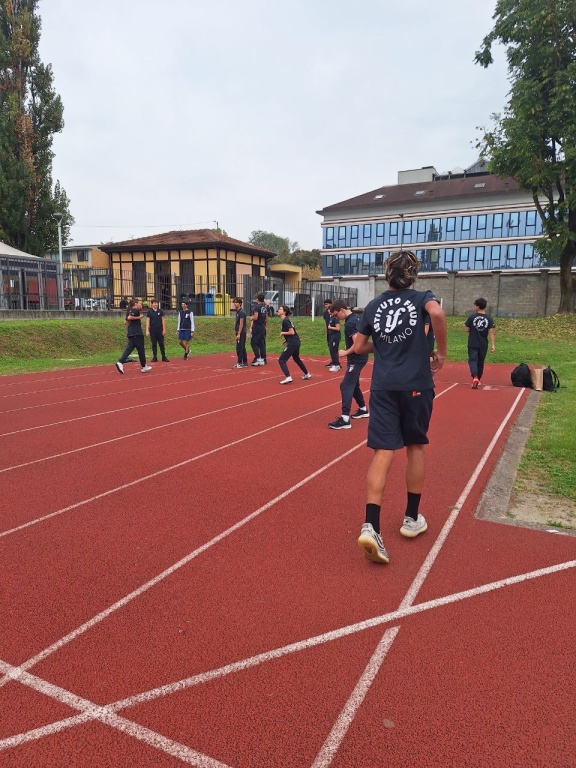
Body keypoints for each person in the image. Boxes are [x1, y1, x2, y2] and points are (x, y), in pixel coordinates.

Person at [353, 250, 447, 563]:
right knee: (415, 447)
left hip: (383, 386)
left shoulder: (374, 305)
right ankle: (411, 518)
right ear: (414, 274)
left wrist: (380, 345)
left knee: (383, 452)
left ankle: (371, 525)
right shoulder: (422, 298)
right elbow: (438, 314)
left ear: (387, 274)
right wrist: (441, 353)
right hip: (416, 385)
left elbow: (359, 345)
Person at [328, 299, 370, 429]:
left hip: (357, 359)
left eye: (336, 315)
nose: (336, 318)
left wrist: (345, 352)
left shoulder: (350, 323)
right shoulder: (355, 318)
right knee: (354, 384)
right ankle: (363, 409)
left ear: (342, 310)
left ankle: (345, 419)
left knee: (345, 385)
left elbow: (358, 344)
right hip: (359, 357)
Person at [277, 305, 312, 384]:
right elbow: (293, 333)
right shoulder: (286, 320)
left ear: (284, 312)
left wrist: (283, 333)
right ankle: (307, 374)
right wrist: (286, 340)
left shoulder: (286, 320)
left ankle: (288, 377)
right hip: (295, 342)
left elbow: (292, 332)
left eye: (280, 309)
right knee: (296, 359)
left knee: (281, 360)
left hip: (293, 343)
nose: (278, 310)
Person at [465, 297, 496, 388]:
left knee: (472, 360)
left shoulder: (472, 317)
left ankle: (474, 376)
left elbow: (467, 329)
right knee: (480, 361)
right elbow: (491, 332)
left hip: (472, 342)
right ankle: (478, 378)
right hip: (483, 343)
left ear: (477, 306)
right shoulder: (489, 319)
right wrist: (493, 345)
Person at [115, 299, 152, 374]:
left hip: (132, 333)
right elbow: (129, 318)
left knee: (131, 349)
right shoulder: (135, 310)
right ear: (135, 304)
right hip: (136, 334)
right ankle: (121, 362)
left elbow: (126, 322)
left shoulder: (130, 311)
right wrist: (139, 318)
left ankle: (143, 366)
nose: (140, 305)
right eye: (139, 303)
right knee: (140, 350)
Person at [250, 292, 268, 366]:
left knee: (253, 343)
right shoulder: (264, 308)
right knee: (262, 343)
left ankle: (257, 358)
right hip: (263, 326)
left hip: (257, 327)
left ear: (257, 299)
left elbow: (256, 317)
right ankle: (263, 358)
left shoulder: (257, 307)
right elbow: (266, 319)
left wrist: (252, 318)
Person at [232, 297, 248, 368]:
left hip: (241, 332)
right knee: (242, 347)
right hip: (239, 332)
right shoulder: (238, 312)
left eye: (236, 302)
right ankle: (244, 362)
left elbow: (241, 323)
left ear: (240, 303)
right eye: (234, 302)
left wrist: (239, 333)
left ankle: (240, 362)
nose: (235, 304)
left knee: (239, 347)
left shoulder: (241, 312)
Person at [327, 307, 342, 371]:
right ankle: (336, 363)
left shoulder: (335, 318)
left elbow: (338, 328)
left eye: (328, 309)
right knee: (332, 350)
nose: (327, 311)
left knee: (333, 350)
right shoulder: (331, 318)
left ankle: (336, 365)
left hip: (335, 336)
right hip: (332, 336)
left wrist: (330, 327)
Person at [322, 299, 333, 366]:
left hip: (334, 332)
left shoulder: (334, 312)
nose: (326, 306)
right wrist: (326, 332)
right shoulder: (325, 313)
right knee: (330, 347)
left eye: (327, 304)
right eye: (325, 304)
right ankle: (333, 360)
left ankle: (336, 362)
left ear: (331, 304)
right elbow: (325, 323)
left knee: (333, 347)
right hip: (329, 332)